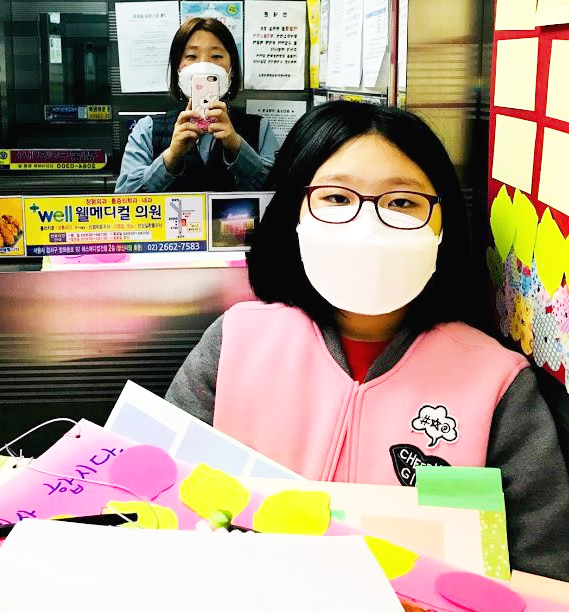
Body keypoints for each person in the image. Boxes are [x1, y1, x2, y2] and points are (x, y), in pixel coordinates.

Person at [165, 100, 569, 581]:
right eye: (337, 198)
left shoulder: (497, 384)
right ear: (294, 212)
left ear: (443, 224)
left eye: (402, 202)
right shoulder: (235, 343)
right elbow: (155, 508)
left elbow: (543, 573)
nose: (369, 226)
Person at [115, 18, 278, 194]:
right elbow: (125, 198)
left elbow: (278, 190)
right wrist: (171, 156)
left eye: (216, 56)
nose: (204, 66)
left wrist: (237, 146)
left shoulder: (260, 129)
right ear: (177, 68)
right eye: (191, 56)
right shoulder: (147, 129)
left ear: (231, 69)